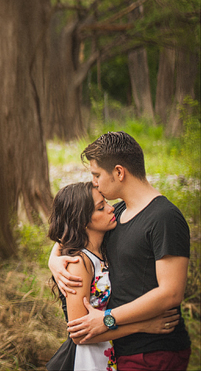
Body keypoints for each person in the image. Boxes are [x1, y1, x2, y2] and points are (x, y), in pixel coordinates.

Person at [49, 131, 192, 370]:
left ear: (118, 172)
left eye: (97, 175)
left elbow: (171, 293)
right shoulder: (117, 213)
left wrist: (108, 318)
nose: (94, 182)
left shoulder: (164, 218)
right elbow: (75, 228)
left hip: (154, 349)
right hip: (117, 349)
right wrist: (54, 259)